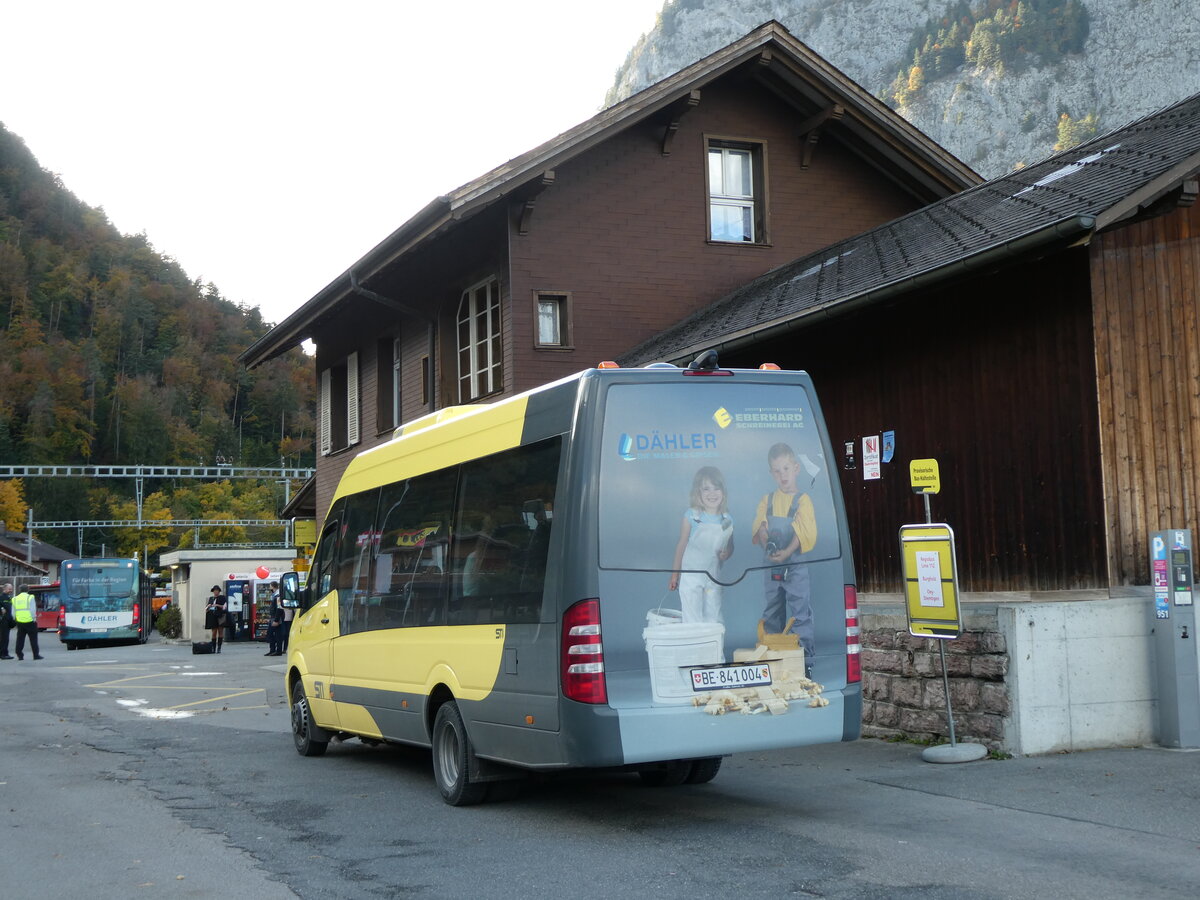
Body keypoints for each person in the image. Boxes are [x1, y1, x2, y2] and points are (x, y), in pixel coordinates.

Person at [752, 442, 818, 662]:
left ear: (796, 468)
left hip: (795, 564)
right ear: (771, 473)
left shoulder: (803, 500)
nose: (782, 475)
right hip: (771, 564)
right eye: (777, 471)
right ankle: (773, 657)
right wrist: (766, 543)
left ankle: (804, 660)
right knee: (772, 611)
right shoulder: (766, 500)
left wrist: (788, 551)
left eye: (786, 469)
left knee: (800, 612)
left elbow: (803, 532)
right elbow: (760, 527)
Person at [668, 466, 734, 624]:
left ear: (723, 492)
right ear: (698, 493)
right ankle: (694, 646)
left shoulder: (727, 519)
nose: (712, 493)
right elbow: (682, 545)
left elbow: (730, 545)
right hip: (691, 576)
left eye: (716, 488)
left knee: (714, 616)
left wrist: (727, 553)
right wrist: (675, 574)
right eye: (706, 489)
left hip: (713, 577)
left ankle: (714, 647)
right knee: (692, 617)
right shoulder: (692, 516)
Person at [11, 585, 44, 660]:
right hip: (30, 621)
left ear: (20, 590)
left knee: (20, 639)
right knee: (33, 639)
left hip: (20, 621)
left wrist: (15, 619)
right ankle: (36, 655)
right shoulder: (30, 597)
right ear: (28, 590)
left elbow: (13, 612)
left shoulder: (15, 599)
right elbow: (32, 609)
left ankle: (19, 655)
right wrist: (34, 618)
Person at [204, 585, 227, 653]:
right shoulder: (211, 598)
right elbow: (207, 608)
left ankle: (219, 647)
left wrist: (217, 605)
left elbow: (224, 607)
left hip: (220, 616)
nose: (216, 592)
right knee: (214, 632)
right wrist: (208, 607)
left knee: (220, 631)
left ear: (219, 591)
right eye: (214, 591)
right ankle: (213, 648)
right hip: (212, 616)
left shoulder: (222, 598)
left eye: (217, 591)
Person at [265, 581, 283, 656]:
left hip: (276, 617)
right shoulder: (275, 595)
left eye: (270, 586)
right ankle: (273, 650)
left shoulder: (278, 595)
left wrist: (276, 620)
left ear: (273, 586)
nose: (269, 588)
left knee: (274, 634)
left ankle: (277, 650)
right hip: (274, 617)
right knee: (273, 634)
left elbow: (279, 608)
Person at [0, 583, 14, 660]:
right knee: (4, 638)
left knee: (6, 638)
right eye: (9, 589)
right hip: (3, 620)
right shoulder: (1, 597)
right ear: (4, 589)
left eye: (11, 589)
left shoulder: (9, 598)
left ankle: (4, 653)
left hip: (8, 620)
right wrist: (1, 609)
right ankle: (3, 654)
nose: (10, 590)